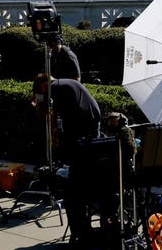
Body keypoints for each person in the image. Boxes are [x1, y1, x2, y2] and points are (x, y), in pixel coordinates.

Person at [32, 73, 101, 247]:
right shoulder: (66, 83)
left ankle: (80, 232)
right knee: (83, 179)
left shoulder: (54, 88)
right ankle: (84, 228)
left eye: (40, 91)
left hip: (81, 133)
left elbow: (51, 118)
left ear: (42, 85)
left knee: (75, 187)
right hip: (91, 126)